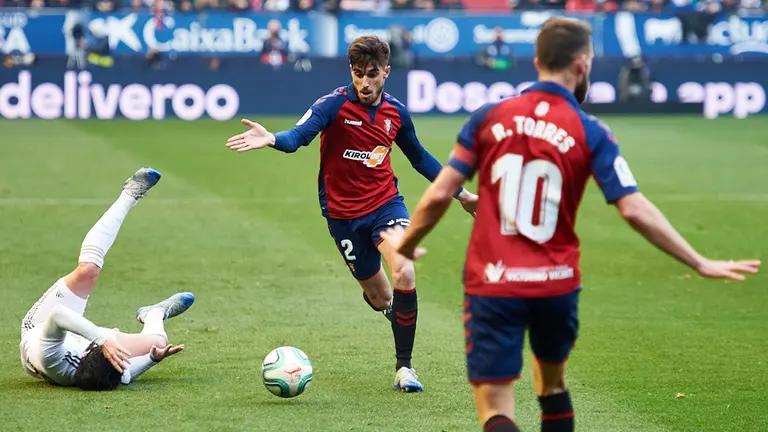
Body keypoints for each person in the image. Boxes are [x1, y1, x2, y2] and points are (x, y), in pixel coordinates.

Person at [380, 17, 760, 431]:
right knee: (552, 385)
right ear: (581, 64)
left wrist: (407, 241)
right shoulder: (590, 128)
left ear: (538, 59)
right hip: (556, 283)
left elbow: (439, 193)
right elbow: (633, 208)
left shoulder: (489, 117)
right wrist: (697, 261)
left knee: (495, 402)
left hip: (493, 282)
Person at [225, 35, 478, 392]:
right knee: (381, 299)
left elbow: (419, 158)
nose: (364, 82)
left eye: (372, 73)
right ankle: (392, 309)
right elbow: (299, 136)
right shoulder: (332, 106)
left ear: (386, 72)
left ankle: (404, 369)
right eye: (358, 73)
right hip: (342, 217)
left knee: (404, 269)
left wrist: (464, 194)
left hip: (385, 205)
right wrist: (272, 139)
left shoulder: (396, 113)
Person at [19, 167, 195, 390]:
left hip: (41, 325)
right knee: (158, 343)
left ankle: (130, 194)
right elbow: (127, 374)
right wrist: (153, 358)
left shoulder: (49, 356)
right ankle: (154, 313)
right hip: (93, 343)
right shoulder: (111, 373)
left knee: (88, 271)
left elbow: (58, 315)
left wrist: (103, 340)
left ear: (88, 353)